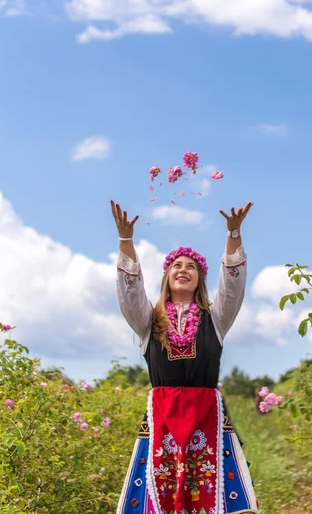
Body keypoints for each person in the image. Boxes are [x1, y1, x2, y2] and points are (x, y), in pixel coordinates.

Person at [111, 199, 258, 514]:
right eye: (176, 265)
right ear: (166, 276)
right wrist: (126, 242)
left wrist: (233, 234)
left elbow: (233, 287)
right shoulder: (148, 320)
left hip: (207, 417)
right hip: (162, 416)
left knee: (210, 492)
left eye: (191, 266)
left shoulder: (215, 318)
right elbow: (130, 293)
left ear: (200, 278)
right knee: (158, 494)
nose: (183, 269)